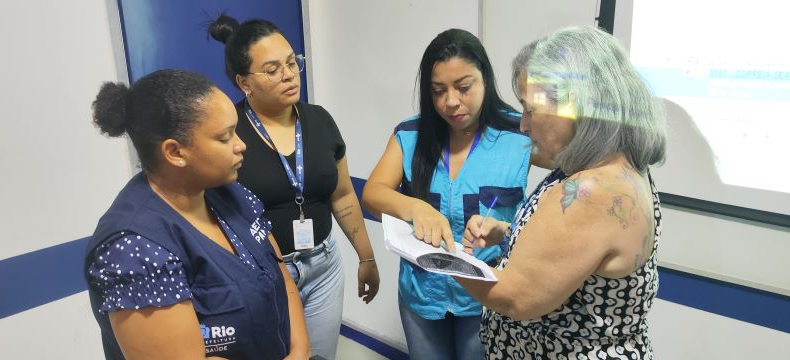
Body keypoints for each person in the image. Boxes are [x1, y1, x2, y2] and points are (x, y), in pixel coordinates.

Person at [451, 27, 668, 359]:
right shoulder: (616, 166)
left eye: (530, 109)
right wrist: (508, 234)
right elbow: (576, 254)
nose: (523, 125)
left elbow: (516, 297)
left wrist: (439, 258)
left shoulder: (591, 191)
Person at [84, 69, 310, 359]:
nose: (241, 146)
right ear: (175, 152)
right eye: (224, 137)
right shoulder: (135, 248)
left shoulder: (231, 194)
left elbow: (279, 273)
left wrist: (300, 350)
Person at [207, 15, 380, 360]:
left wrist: (366, 256)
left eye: (292, 62)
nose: (288, 74)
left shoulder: (319, 120)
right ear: (244, 83)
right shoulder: (232, 134)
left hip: (323, 265)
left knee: (319, 356)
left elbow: (343, 195)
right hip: (265, 274)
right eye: (272, 70)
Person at [361, 29, 532, 360]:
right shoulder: (410, 135)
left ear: (485, 79)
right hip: (422, 295)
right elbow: (372, 193)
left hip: (486, 298)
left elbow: (574, 165)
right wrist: (413, 207)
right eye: (438, 91)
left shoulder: (520, 132)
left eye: (464, 87)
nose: (451, 101)